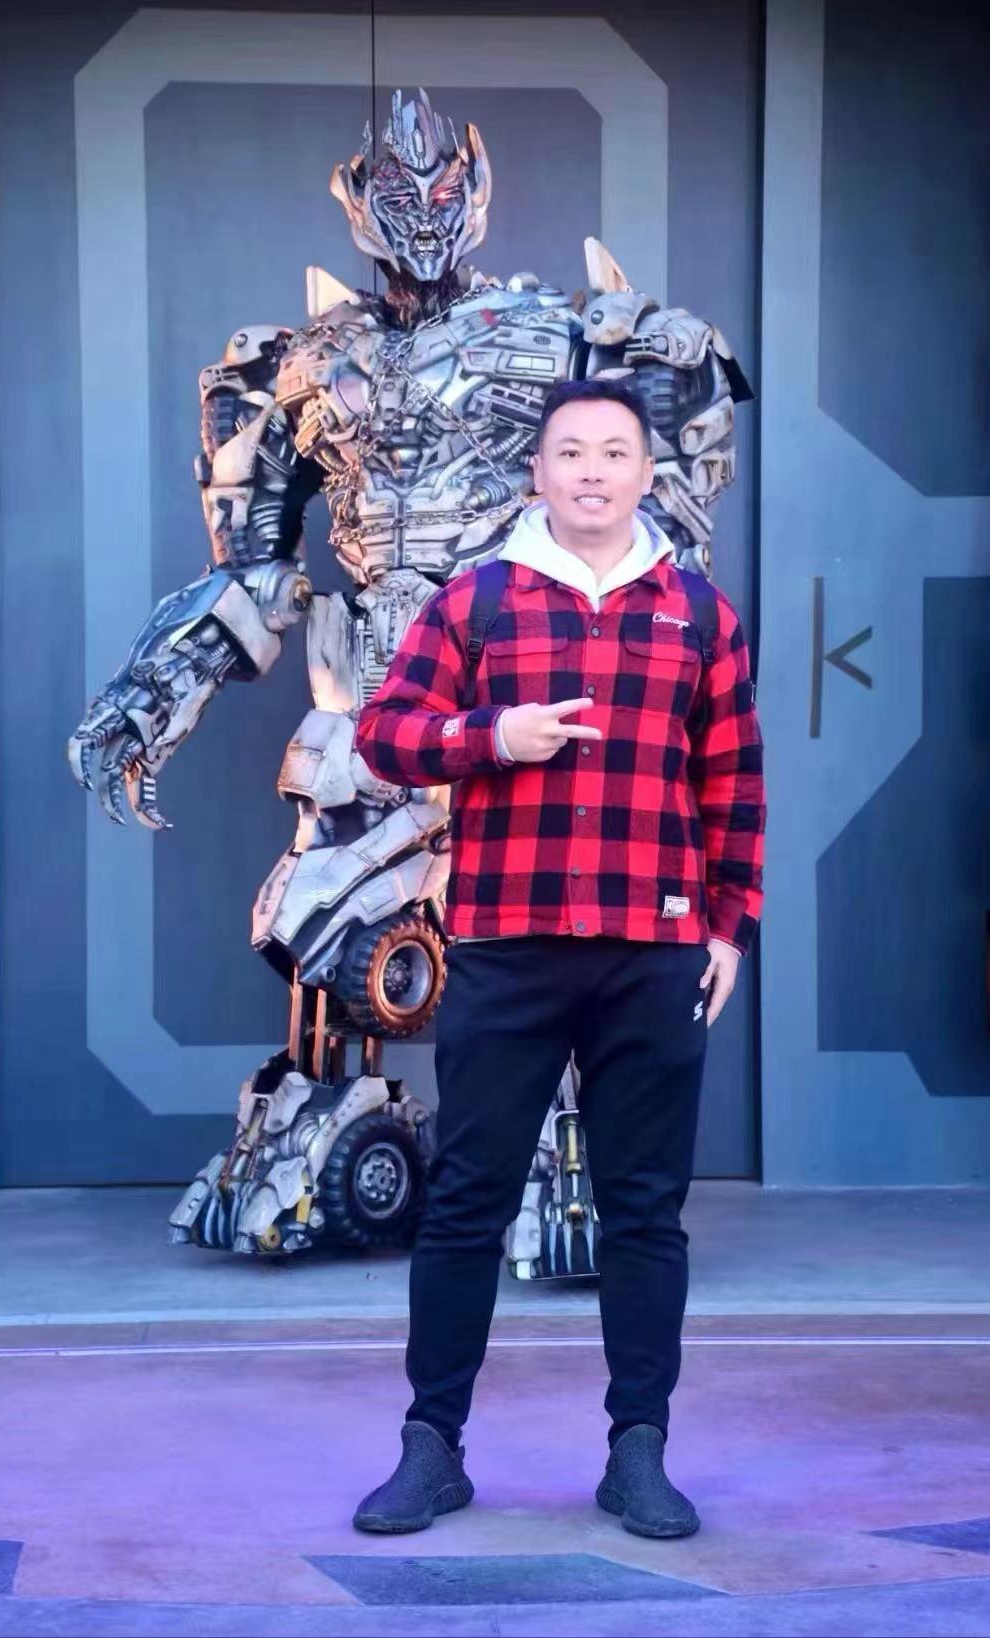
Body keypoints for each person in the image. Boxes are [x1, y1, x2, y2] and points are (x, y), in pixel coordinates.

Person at [351, 376, 766, 1538]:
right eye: (570, 451)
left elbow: (734, 781)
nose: (592, 470)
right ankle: (431, 1448)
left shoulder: (699, 612)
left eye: (614, 452)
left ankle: (640, 1453)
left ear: (646, 473)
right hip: (507, 944)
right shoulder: (477, 601)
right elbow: (383, 736)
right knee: (466, 1202)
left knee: (645, 1211)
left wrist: (728, 927)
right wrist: (493, 736)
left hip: (654, 950)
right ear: (537, 472)